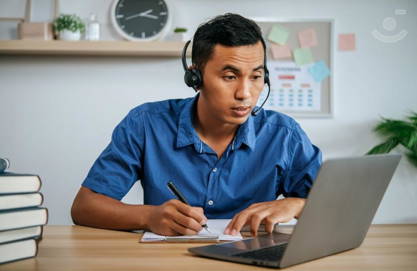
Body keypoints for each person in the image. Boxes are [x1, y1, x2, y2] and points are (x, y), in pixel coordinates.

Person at [71, 13, 322, 237]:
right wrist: (148, 216)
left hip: (253, 267)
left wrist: (298, 205)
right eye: (230, 77)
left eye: (256, 77)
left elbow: (335, 205)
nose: (245, 93)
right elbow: (85, 207)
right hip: (168, 269)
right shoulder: (145, 124)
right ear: (195, 78)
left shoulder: (284, 135)